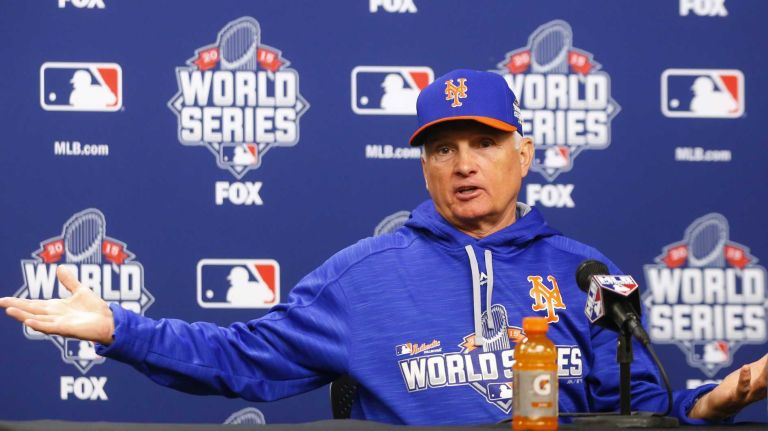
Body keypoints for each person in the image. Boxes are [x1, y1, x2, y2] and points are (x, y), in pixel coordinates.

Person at [1, 69, 765, 425]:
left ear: (525, 154)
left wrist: (712, 402)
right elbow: (238, 357)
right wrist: (120, 328)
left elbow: (638, 414)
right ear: (424, 165)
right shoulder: (363, 277)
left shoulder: (588, 272)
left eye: (483, 143)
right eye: (442, 148)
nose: (463, 164)